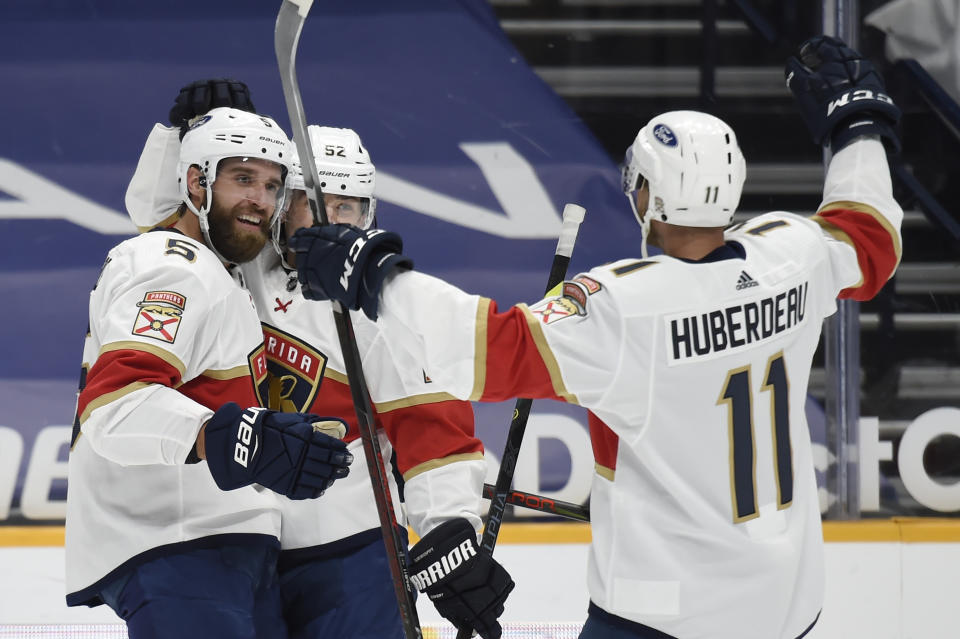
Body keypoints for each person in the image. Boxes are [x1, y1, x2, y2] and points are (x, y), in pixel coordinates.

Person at [288, 36, 904, 639]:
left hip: (666, 612)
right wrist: (858, 128)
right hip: (787, 601)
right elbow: (869, 234)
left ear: (646, 195)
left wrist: (374, 275)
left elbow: (487, 352)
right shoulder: (791, 254)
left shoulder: (626, 306)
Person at [124, 90, 515, 639]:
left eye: (346, 207)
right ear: (283, 203)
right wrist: (180, 136)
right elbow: (160, 218)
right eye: (312, 201)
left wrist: (448, 531)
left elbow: (435, 434)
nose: (327, 222)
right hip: (230, 537)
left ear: (368, 214)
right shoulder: (232, 260)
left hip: (351, 546)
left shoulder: (386, 301)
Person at [67, 103, 354, 639]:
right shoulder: (172, 267)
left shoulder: (222, 268)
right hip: (172, 541)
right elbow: (118, 402)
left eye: (273, 187)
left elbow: (153, 204)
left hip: (223, 540)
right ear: (196, 183)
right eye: (243, 178)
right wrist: (235, 437)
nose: (260, 201)